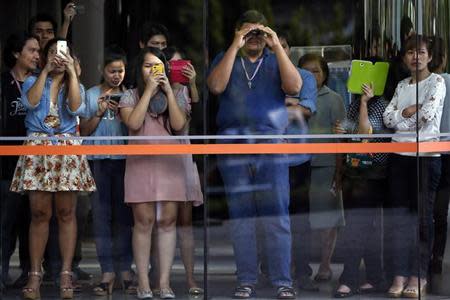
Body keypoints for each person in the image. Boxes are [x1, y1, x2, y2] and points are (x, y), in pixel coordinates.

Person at [207, 10, 301, 299]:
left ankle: (282, 280)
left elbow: (294, 86)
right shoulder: (227, 57)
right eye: (248, 33)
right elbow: (215, 86)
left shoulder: (275, 60)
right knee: (240, 215)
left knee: (277, 215)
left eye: (259, 33)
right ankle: (245, 279)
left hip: (270, 142)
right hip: (233, 142)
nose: (254, 39)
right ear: (237, 33)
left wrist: (276, 46)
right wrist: (235, 46)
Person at [9, 38, 96, 300]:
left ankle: (66, 274)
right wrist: (45, 72)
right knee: (39, 213)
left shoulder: (75, 84)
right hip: (38, 145)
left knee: (67, 212)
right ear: (46, 58)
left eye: (64, 54)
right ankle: (35, 274)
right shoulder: (31, 81)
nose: (58, 58)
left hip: (66, 146)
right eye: (53, 54)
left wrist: (71, 71)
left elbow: (76, 108)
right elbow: (30, 104)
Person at [119, 47, 188, 300]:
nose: (153, 71)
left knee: (168, 222)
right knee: (144, 222)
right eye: (148, 66)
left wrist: (168, 90)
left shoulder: (179, 94)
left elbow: (180, 126)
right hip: (140, 164)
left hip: (170, 164)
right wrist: (148, 90)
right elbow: (134, 123)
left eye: (158, 66)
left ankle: (165, 283)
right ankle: (144, 283)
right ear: (140, 70)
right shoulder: (129, 95)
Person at [383, 34, 445, 298]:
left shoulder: (437, 82)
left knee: (422, 219)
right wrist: (406, 113)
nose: (415, 57)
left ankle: (419, 275)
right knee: (399, 220)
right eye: (410, 52)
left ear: (429, 56)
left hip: (426, 158)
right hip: (399, 157)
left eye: (420, 52)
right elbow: (387, 118)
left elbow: (427, 116)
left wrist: (402, 118)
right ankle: (399, 274)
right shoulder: (401, 85)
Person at [79, 45, 135, 296]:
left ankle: (125, 270)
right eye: (112, 71)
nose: (116, 76)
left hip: (124, 160)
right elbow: (84, 131)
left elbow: (135, 129)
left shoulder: (130, 96)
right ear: (103, 70)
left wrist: (123, 114)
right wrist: (100, 112)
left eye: (121, 71)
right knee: (101, 218)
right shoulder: (91, 95)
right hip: (98, 160)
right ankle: (107, 272)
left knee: (124, 218)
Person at [333, 77, 390, 297]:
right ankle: (375, 277)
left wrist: (365, 103)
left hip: (373, 173)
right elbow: (349, 132)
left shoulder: (382, 105)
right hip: (354, 171)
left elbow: (365, 135)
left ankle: (349, 278)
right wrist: (340, 130)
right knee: (367, 227)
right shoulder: (354, 104)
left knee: (357, 226)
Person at [276, 33, 320, 291]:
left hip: (298, 157)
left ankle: (301, 270)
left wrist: (286, 104)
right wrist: (293, 103)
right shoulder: (260, 74)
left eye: (282, 46)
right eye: (274, 46)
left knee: (300, 217)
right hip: (269, 156)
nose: (277, 49)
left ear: (290, 49)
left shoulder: (304, 77)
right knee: (271, 216)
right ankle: (270, 270)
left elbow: (308, 109)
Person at [298, 53, 346, 284]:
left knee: (327, 219)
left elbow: (340, 137)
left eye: (315, 71)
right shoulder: (291, 96)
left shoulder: (334, 98)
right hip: (297, 164)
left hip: (325, 165)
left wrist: (339, 172)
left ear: (325, 73)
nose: (310, 75)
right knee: (301, 220)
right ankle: (300, 266)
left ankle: (325, 265)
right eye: (305, 70)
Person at [163, 46, 204, 296]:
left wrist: (193, 83)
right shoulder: (153, 88)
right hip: (158, 156)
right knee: (161, 220)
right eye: (171, 64)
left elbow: (188, 123)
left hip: (182, 155)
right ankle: (160, 278)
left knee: (185, 223)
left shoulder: (187, 91)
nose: (176, 68)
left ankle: (190, 277)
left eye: (180, 64)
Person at [1, 33, 40, 289]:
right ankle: (1, 273)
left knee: (32, 219)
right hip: (6, 162)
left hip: (36, 163)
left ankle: (29, 273)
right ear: (17, 53)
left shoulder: (40, 82)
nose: (37, 55)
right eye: (32, 50)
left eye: (39, 51)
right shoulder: (3, 83)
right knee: (5, 221)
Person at [429, 36, 450, 275]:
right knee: (440, 211)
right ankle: (436, 259)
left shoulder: (416, 84)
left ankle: (423, 258)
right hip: (446, 152)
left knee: (423, 208)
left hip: (425, 151)